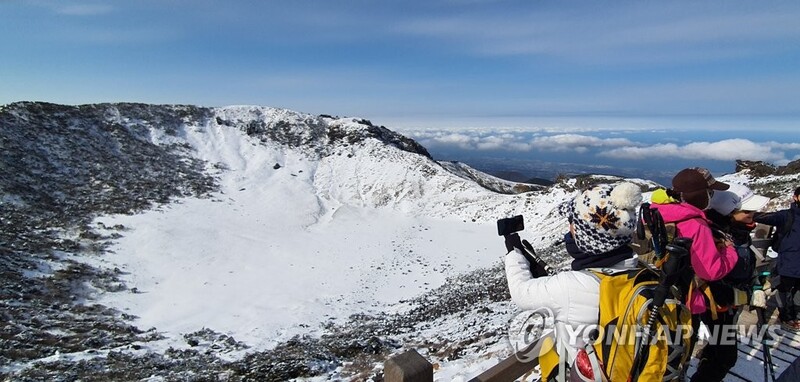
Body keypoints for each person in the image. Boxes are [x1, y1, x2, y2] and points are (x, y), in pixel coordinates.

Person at [504, 182, 641, 372]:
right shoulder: (640, 272)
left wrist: (514, 253)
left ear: (587, 239)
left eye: (572, 222)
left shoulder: (569, 287)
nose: (569, 228)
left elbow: (521, 293)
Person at [648, 167, 740, 382]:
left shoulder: (655, 212)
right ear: (699, 195)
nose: (711, 197)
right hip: (685, 301)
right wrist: (729, 251)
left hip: (653, 294)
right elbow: (711, 270)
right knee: (678, 357)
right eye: (710, 192)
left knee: (655, 354)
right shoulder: (696, 224)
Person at [696, 183, 770, 381]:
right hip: (716, 306)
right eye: (747, 210)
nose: (753, 214)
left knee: (716, 349)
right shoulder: (717, 236)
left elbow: (747, 265)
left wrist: (756, 285)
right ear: (729, 212)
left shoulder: (738, 232)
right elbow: (710, 276)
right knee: (726, 357)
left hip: (729, 306)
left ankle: (706, 366)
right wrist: (744, 295)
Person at [754, 186, 800, 332]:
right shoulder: (787, 216)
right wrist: (745, 214)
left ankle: (795, 315)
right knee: (784, 289)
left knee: (798, 290)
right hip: (788, 260)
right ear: (795, 197)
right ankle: (785, 317)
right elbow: (765, 217)